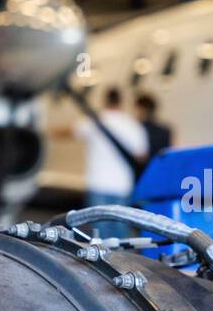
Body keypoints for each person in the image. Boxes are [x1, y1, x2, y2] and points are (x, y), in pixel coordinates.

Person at [55, 87, 148, 239]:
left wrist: (47, 131)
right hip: (121, 185)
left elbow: (70, 132)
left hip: (98, 183)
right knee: (120, 231)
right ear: (121, 102)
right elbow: (141, 156)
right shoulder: (133, 125)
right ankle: (121, 260)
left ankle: (100, 259)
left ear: (105, 101)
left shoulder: (95, 121)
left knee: (99, 231)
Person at [134, 93, 173, 165]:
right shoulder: (166, 130)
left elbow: (140, 157)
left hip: (144, 171)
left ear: (142, 109)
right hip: (161, 168)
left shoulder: (138, 130)